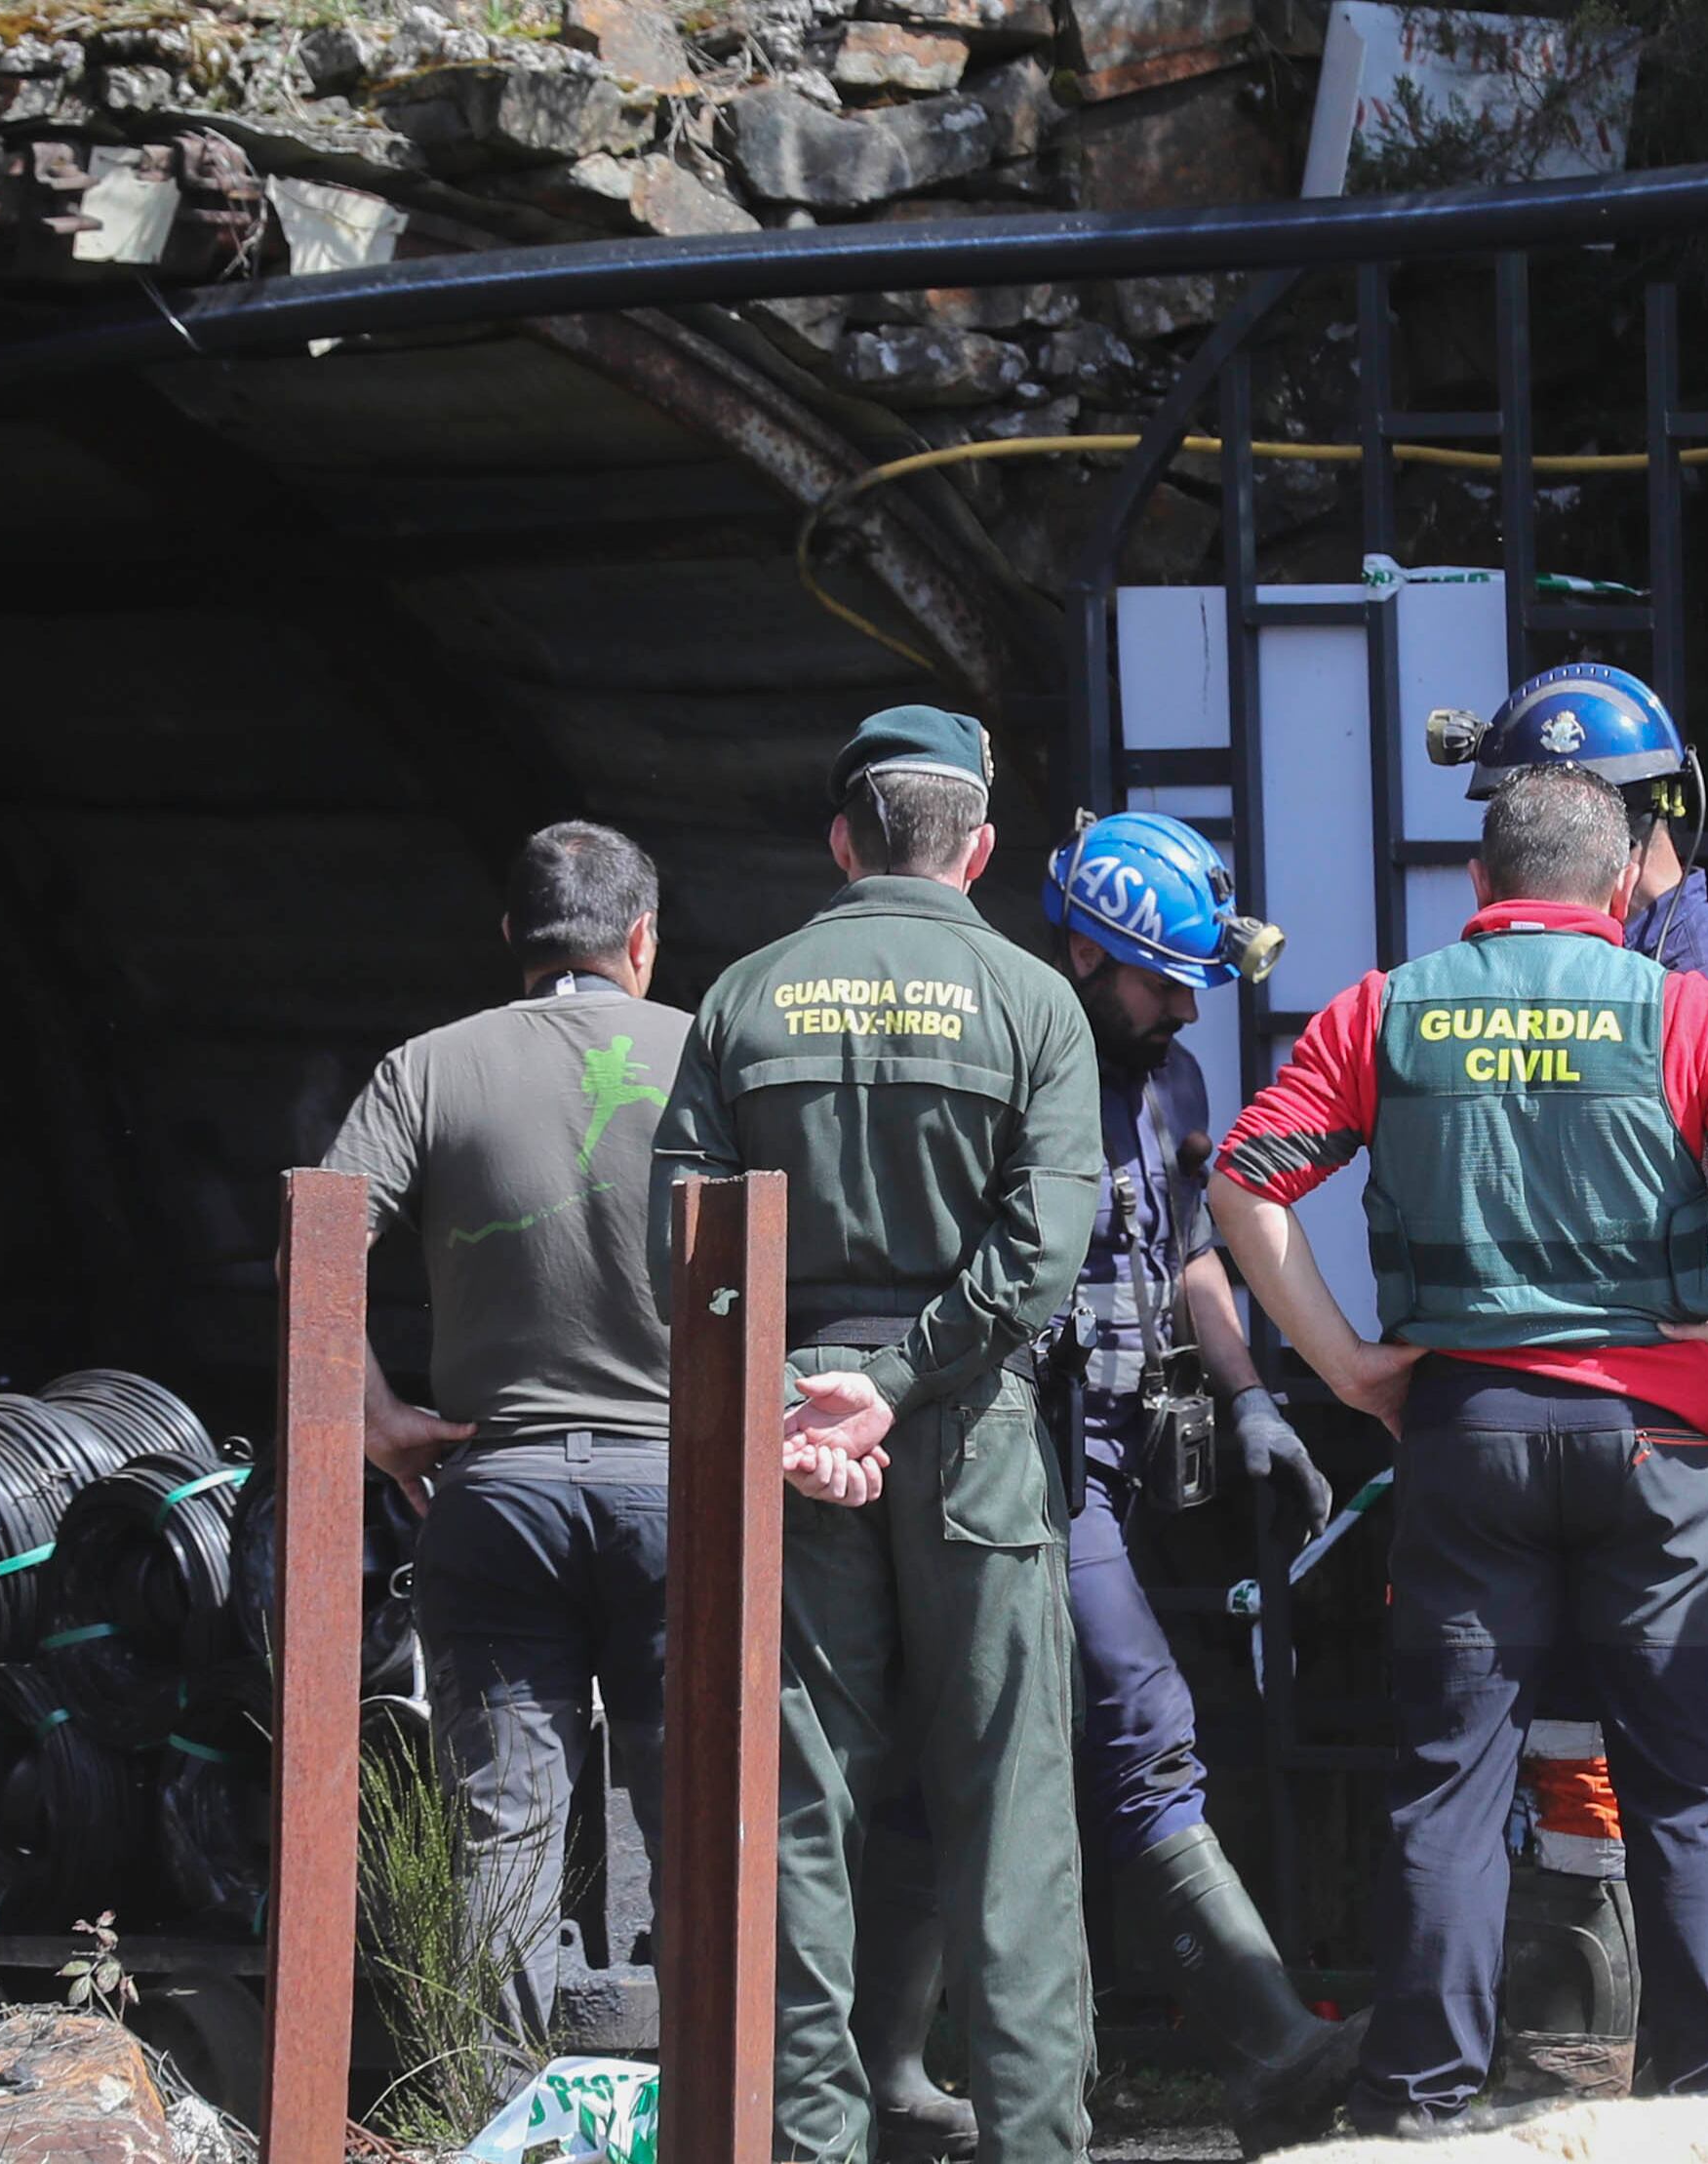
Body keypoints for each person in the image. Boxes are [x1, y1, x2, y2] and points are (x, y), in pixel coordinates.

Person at [1208, 764, 1708, 2132]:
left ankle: (1417, 2106)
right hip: (1655, 1446)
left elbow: (1243, 1181)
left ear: (1477, 884)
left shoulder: (1385, 1009)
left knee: (1452, 1787)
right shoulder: (1681, 1007)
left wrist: (1344, 1364)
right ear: (1624, 884)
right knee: (1681, 1784)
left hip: (1468, 1436)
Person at [651, 706, 1100, 2164]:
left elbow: (687, 1244)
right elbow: (1041, 1253)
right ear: (978, 847)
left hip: (790, 1436)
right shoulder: (1036, 1003)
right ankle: (1035, 2145)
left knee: (801, 1807)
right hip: (969, 1433)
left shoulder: (741, 999)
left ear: (842, 841)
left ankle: (809, 2141)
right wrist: (900, 1380)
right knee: (1010, 1812)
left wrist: (796, 1399)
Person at [1426, 664, 1708, 2093]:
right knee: (1603, 1740)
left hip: (1663, 1426)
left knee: (1672, 1754)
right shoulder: (1616, 970)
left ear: (1632, 829)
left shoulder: (1692, 979)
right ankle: (1602, 2058)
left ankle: (1662, 2073)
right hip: (1622, 1425)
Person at [320, 819, 688, 2052]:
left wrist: (380, 1420)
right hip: (679, 1494)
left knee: (505, 1836)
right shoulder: (712, 1055)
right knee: (701, 1821)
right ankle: (713, 2109)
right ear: (642, 937)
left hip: (495, 1493)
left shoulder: (426, 1068)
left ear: (510, 937)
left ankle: (496, 2111)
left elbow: (309, 1256)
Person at [1044, 811, 1353, 2147]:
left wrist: (1250, 1397)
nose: (1184, 1006)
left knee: (1013, 1756)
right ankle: (1273, 2048)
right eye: (1161, 980)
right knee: (1142, 1719)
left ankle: (919, 2076)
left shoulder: (1169, 1079)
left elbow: (1190, 1257)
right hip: (1035, 1460)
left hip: (1125, 1458)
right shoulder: (1018, 1067)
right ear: (1084, 953)